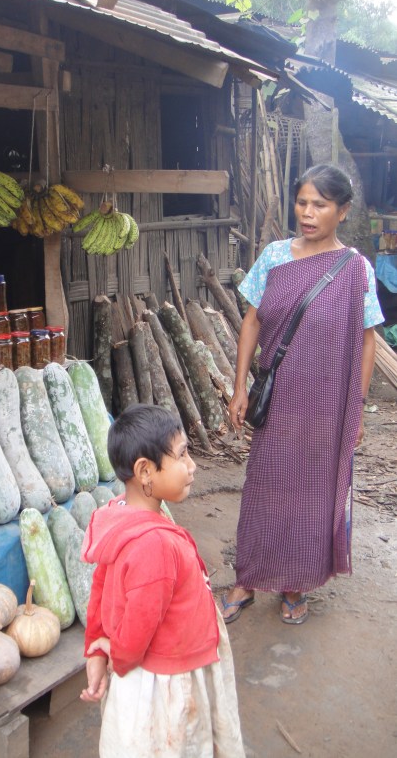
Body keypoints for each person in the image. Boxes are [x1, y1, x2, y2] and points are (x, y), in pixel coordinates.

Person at [222, 164, 384, 626]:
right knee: (264, 485)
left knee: (311, 491)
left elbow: (368, 338)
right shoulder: (274, 256)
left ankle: (294, 582)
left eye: (320, 205)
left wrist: (357, 408)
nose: (308, 213)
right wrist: (239, 387)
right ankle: (247, 577)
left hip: (327, 402)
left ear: (343, 211)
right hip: (279, 397)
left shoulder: (355, 269)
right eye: (302, 202)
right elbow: (252, 321)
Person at [80, 404, 245, 757]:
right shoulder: (153, 546)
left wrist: (96, 643)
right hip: (165, 684)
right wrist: (114, 654)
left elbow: (100, 589)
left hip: (157, 675)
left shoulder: (119, 519)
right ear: (145, 471)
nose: (192, 466)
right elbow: (136, 631)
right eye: (182, 455)